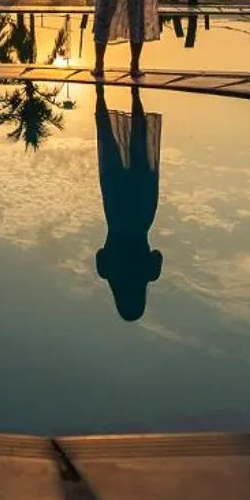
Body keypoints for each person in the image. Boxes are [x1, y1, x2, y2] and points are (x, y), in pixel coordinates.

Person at [93, 82, 163, 322]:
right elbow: (100, 254)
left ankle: (135, 97)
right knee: (109, 151)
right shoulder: (107, 271)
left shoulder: (149, 274)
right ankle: (100, 97)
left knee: (140, 149)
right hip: (117, 213)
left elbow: (157, 256)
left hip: (141, 214)